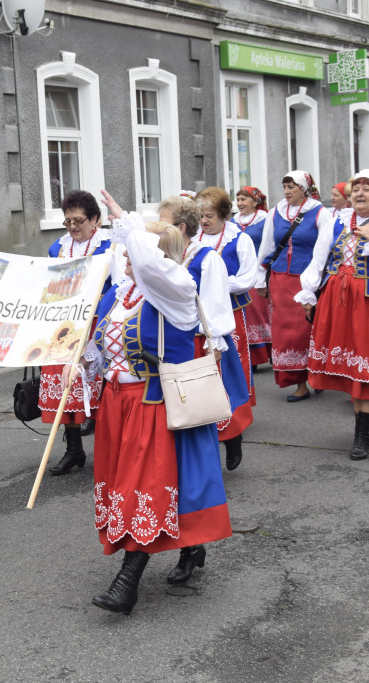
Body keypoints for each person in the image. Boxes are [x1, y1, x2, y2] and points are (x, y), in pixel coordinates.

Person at [70, 219, 231, 614]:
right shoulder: (118, 297)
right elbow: (101, 349)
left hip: (154, 403)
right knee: (138, 483)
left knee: (142, 486)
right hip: (116, 405)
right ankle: (192, 547)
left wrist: (127, 223)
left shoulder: (175, 294)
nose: (126, 255)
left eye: (134, 249)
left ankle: (127, 582)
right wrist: (86, 359)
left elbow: (152, 265)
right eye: (126, 249)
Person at [296, 170, 369, 460]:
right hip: (338, 299)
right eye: (356, 188)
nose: (360, 193)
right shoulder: (337, 221)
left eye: (368, 188)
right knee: (350, 365)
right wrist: (309, 292)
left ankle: (361, 434)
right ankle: (367, 417)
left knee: (368, 365)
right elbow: (319, 259)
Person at [39, 190, 110, 474]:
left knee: (99, 388)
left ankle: (109, 449)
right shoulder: (57, 248)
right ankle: (73, 449)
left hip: (95, 324)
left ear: (94, 219)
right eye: (67, 221)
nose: (72, 226)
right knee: (64, 387)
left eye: (78, 220)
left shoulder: (109, 247)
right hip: (63, 326)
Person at [255, 171, 335, 402]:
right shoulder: (275, 213)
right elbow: (267, 246)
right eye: (285, 187)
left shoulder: (320, 213)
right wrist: (261, 277)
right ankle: (298, 383)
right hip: (281, 280)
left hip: (308, 280)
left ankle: (316, 373)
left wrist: (316, 282)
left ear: (304, 189)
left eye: (292, 187)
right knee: (285, 333)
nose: (288, 191)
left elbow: (324, 251)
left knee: (308, 329)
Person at [192, 188, 257, 470]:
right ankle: (207, 437)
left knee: (231, 371)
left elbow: (247, 277)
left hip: (230, 312)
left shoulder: (239, 239)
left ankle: (234, 434)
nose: (204, 220)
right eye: (200, 215)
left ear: (223, 215)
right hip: (196, 316)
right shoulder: (191, 239)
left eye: (209, 215)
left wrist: (216, 286)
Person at [233, 186, 272, 368]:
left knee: (260, 314)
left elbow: (270, 245)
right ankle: (252, 357)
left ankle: (269, 352)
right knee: (245, 314)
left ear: (255, 202)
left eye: (244, 199)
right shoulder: (234, 221)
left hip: (259, 272)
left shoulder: (265, 220)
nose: (240, 203)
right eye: (238, 199)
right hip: (240, 272)